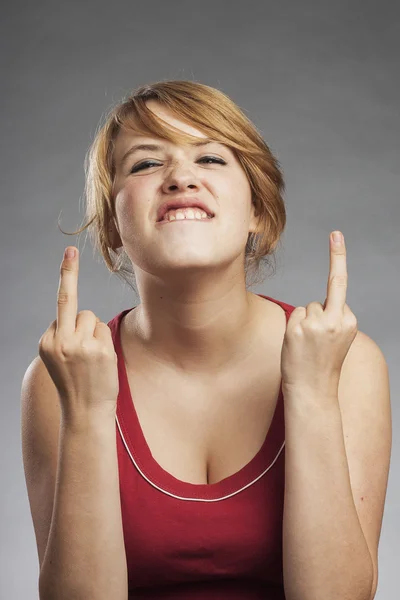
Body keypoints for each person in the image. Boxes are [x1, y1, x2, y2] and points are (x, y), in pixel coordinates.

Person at [21, 80, 390, 600]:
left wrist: (311, 394)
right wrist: (85, 412)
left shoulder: (347, 362)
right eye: (146, 164)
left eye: (211, 159)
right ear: (110, 225)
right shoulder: (59, 376)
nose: (180, 178)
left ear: (258, 209)